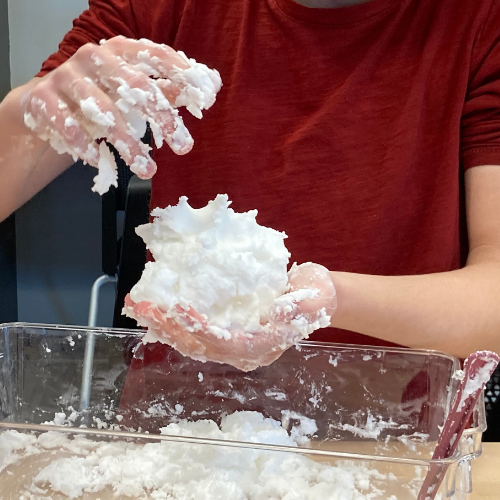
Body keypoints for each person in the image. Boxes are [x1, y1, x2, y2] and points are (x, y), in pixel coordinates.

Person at [1, 0, 500, 367]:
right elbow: (26, 143)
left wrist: (328, 301)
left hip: (395, 428)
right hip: (180, 424)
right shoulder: (154, 8)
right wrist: (25, 118)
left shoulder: (478, 20)